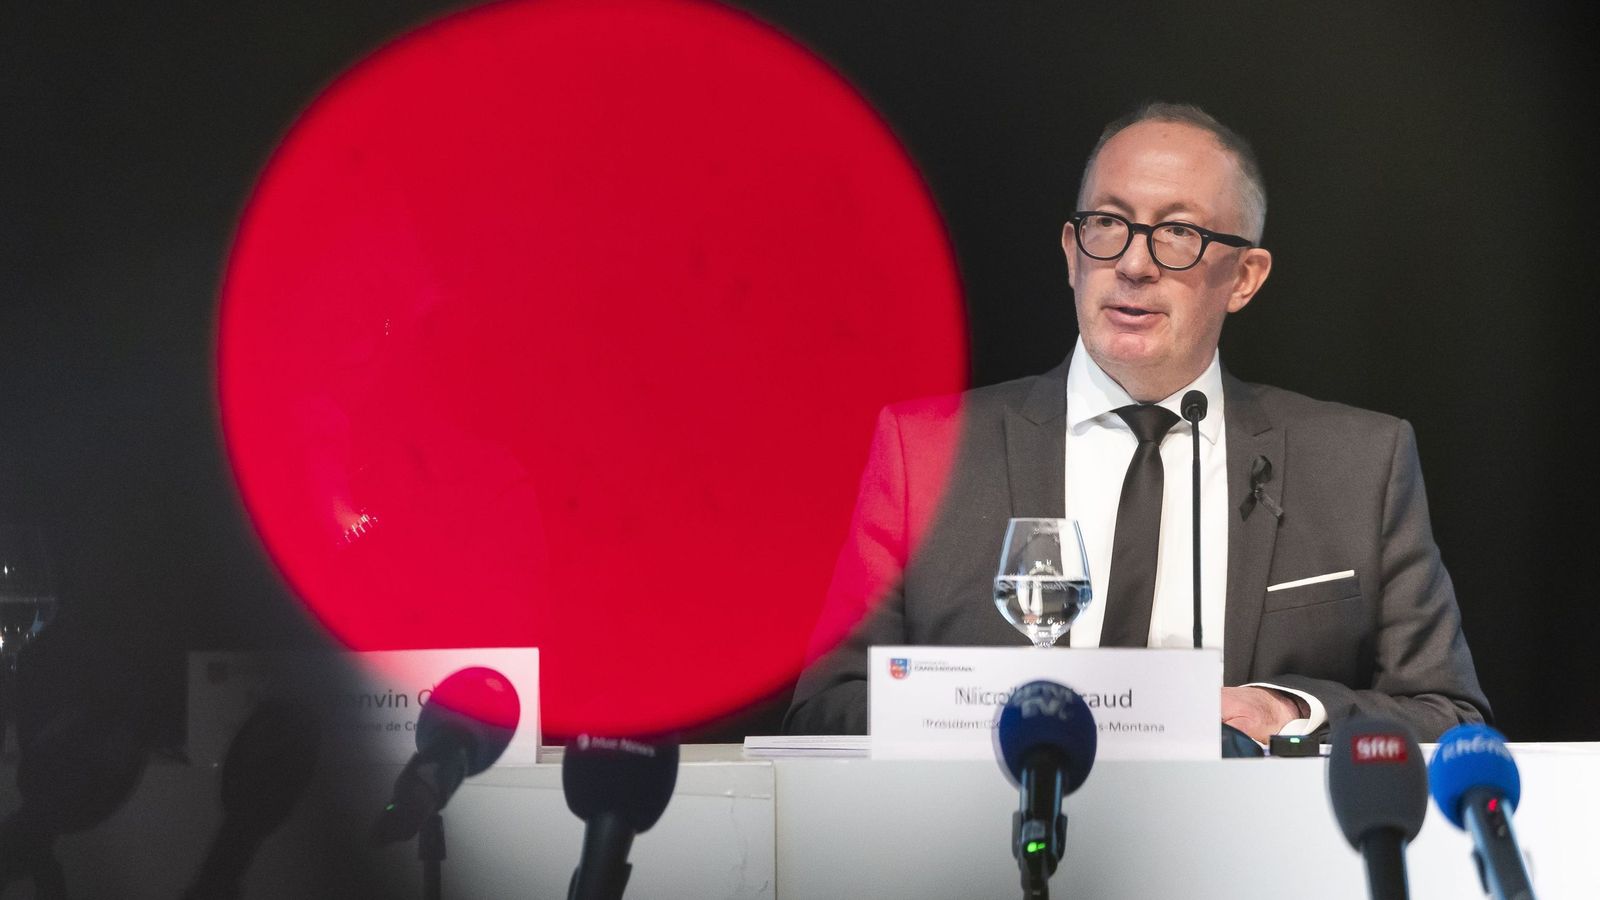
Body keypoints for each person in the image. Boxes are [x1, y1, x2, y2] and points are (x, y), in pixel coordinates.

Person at [784, 102, 1489, 742]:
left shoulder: (1360, 464)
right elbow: (825, 708)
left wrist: (1289, 712)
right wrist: (982, 711)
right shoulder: (925, 452)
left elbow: (1445, 712)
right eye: (1108, 225)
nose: (1132, 262)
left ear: (1244, 277)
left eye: (1177, 233)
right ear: (1070, 251)